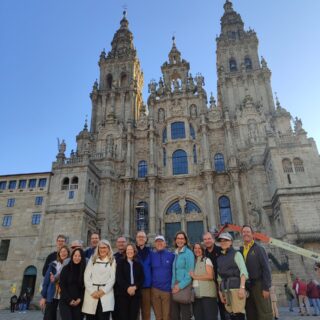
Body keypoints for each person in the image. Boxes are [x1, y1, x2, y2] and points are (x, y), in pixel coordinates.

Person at [240, 225, 273, 320]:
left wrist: (266, 287)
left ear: (252, 234)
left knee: (264, 313)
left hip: (259, 285)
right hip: (248, 287)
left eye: (247, 232)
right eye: (244, 232)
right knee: (251, 313)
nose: (245, 234)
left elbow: (266, 268)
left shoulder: (259, 248)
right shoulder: (241, 250)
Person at [217, 232, 248, 320]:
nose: (223, 242)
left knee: (238, 315)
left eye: (226, 240)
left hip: (236, 289)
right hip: (225, 290)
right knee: (230, 315)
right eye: (221, 241)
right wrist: (220, 293)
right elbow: (219, 278)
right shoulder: (219, 258)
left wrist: (242, 288)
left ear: (231, 242)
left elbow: (243, 272)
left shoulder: (236, 254)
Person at [82, 239, 116, 320]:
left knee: (103, 317)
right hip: (91, 294)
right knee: (91, 317)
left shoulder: (112, 260)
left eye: (104, 247)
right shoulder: (92, 259)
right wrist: (92, 291)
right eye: (100, 247)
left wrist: (102, 291)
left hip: (106, 294)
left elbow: (112, 278)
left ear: (108, 248)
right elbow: (86, 276)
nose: (102, 249)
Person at [115, 243, 144, 320]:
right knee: (123, 316)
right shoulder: (120, 262)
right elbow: (119, 278)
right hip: (123, 294)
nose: (129, 251)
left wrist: (135, 287)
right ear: (125, 251)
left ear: (134, 251)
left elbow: (141, 278)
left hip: (135, 294)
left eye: (131, 250)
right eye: (128, 250)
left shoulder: (138, 263)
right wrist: (127, 288)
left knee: (133, 316)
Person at [40, 245, 70, 320]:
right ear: (59, 254)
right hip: (52, 296)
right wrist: (44, 297)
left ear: (68, 253)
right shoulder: (53, 265)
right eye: (61, 252)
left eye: (65, 251)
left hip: (64, 296)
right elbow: (46, 281)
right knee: (49, 316)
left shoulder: (70, 265)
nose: (63, 253)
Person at [190, 242, 218, 320]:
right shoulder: (193, 262)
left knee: (210, 317)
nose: (197, 250)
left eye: (199, 248)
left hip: (207, 296)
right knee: (198, 317)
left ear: (202, 250)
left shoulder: (207, 260)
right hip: (196, 296)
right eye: (195, 248)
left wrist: (195, 277)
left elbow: (210, 276)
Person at [171, 230, 195, 320]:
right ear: (175, 240)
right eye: (178, 238)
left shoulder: (188, 253)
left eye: (182, 238)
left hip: (184, 286)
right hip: (174, 286)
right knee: (174, 315)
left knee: (185, 315)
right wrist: (172, 285)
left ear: (185, 240)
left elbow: (190, 273)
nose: (180, 240)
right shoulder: (175, 253)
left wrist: (179, 286)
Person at [150, 235, 175, 320]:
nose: (159, 243)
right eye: (157, 242)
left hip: (167, 291)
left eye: (161, 241)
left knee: (167, 316)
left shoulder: (172, 256)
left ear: (165, 244)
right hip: (155, 290)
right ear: (155, 244)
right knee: (158, 316)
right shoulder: (151, 256)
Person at [203, 231, 226, 320]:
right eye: (205, 239)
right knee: (211, 312)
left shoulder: (221, 251)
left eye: (209, 238)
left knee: (224, 310)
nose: (207, 241)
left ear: (213, 239)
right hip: (209, 287)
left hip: (222, 285)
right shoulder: (203, 254)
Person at [59, 248, 86, 320]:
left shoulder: (84, 271)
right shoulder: (66, 269)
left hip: (78, 303)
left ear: (82, 257)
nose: (77, 258)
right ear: (72, 256)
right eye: (75, 255)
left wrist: (80, 299)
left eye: (79, 256)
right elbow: (62, 285)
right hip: (65, 301)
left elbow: (84, 287)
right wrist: (69, 300)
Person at [136, 231, 152, 320]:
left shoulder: (150, 252)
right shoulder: (132, 251)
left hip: (146, 287)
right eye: (139, 237)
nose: (141, 238)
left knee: (146, 312)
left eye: (143, 237)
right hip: (135, 287)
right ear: (136, 239)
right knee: (135, 312)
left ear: (146, 239)